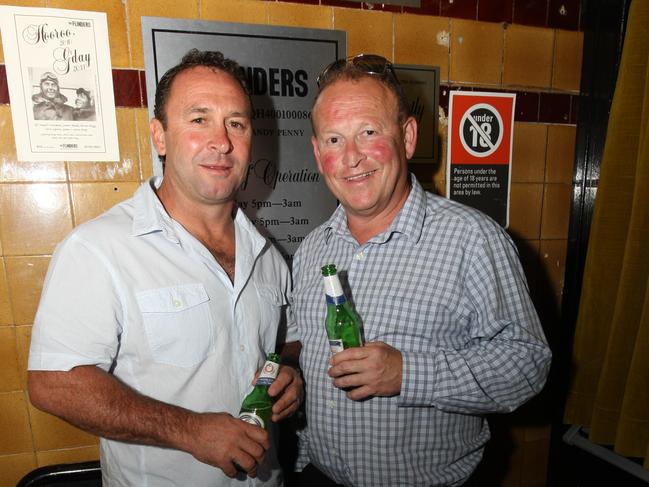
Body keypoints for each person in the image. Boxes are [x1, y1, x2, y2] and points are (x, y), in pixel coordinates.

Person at [28, 49, 304, 486]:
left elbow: (282, 345)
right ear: (160, 136)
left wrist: (290, 374)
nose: (222, 142)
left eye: (236, 123)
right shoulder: (99, 248)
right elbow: (53, 383)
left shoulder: (268, 255)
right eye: (199, 120)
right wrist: (189, 430)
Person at [288, 54, 552, 486]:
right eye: (334, 140)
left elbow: (527, 365)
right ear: (318, 154)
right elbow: (306, 346)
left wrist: (409, 375)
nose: (351, 158)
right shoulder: (313, 248)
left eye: (369, 133)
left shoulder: (472, 239)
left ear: (407, 137)